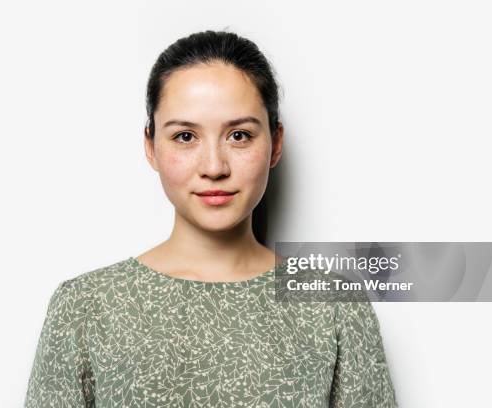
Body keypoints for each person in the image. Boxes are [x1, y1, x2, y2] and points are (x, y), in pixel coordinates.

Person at [24, 30, 398, 407]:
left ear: (275, 143)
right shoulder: (86, 307)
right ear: (151, 146)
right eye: (185, 136)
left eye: (239, 135)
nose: (214, 167)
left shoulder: (334, 306)